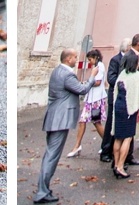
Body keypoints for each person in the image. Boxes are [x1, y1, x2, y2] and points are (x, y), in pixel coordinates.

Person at [34, 48, 93, 203]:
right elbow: (82, 90)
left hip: (54, 117)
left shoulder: (56, 71)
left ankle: (44, 189)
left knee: (50, 155)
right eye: (74, 57)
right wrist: (92, 78)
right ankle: (42, 192)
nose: (76, 59)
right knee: (51, 156)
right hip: (59, 120)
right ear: (68, 59)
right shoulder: (67, 74)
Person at [112, 51, 139, 179]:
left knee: (118, 137)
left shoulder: (122, 74)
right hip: (129, 109)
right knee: (127, 137)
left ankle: (116, 164)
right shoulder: (137, 76)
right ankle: (121, 166)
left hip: (119, 106)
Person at [67, 48, 106, 157]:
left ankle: (107, 143)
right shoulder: (96, 66)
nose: (89, 62)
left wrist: (86, 83)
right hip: (91, 99)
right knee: (82, 121)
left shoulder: (100, 67)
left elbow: (97, 82)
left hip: (96, 100)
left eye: (90, 59)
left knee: (96, 122)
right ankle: (77, 145)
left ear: (95, 58)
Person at [99, 38, 131, 163]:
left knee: (125, 126)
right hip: (115, 96)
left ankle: (125, 154)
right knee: (110, 125)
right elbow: (111, 78)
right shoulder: (115, 60)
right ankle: (105, 151)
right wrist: (123, 82)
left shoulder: (130, 60)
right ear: (126, 47)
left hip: (126, 98)